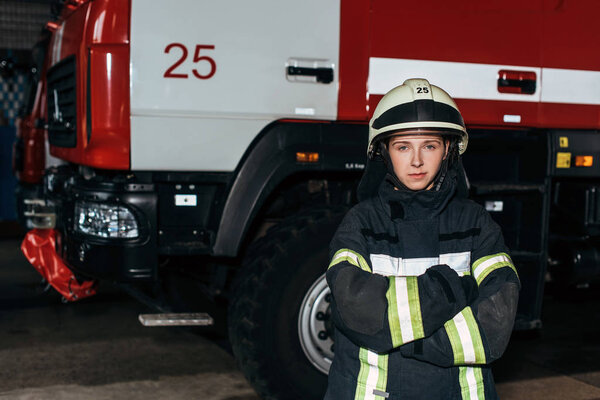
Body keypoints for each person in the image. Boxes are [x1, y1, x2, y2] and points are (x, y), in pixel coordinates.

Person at [324, 78, 520, 400]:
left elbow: (495, 323)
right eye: (403, 147)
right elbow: (356, 308)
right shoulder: (360, 224)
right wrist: (450, 289)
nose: (416, 161)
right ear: (384, 152)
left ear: (448, 151)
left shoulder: (476, 224)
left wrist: (404, 337)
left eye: (429, 145)